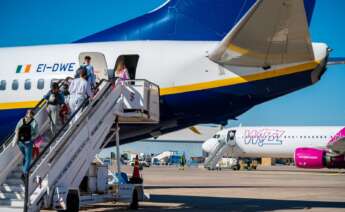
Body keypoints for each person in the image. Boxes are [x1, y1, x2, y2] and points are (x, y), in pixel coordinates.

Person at [13, 110, 38, 178]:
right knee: (28, 158)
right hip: (28, 143)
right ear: (33, 115)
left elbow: (16, 130)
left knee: (25, 156)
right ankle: (24, 173)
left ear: (26, 114)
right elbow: (36, 133)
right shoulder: (34, 122)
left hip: (20, 143)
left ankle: (25, 169)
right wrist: (30, 138)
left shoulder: (21, 120)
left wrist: (18, 139)